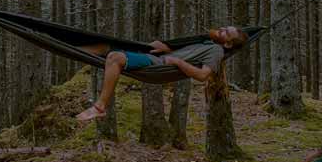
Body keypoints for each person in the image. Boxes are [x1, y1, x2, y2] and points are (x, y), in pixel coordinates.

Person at [75, 26, 249, 121]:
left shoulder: (216, 51)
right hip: (158, 56)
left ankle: (100, 107)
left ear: (228, 44)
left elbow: (203, 76)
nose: (222, 29)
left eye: (226, 32)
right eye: (225, 28)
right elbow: (185, 54)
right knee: (104, 47)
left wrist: (178, 62)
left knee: (114, 58)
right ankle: (63, 46)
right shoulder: (206, 43)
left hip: (157, 65)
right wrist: (167, 49)